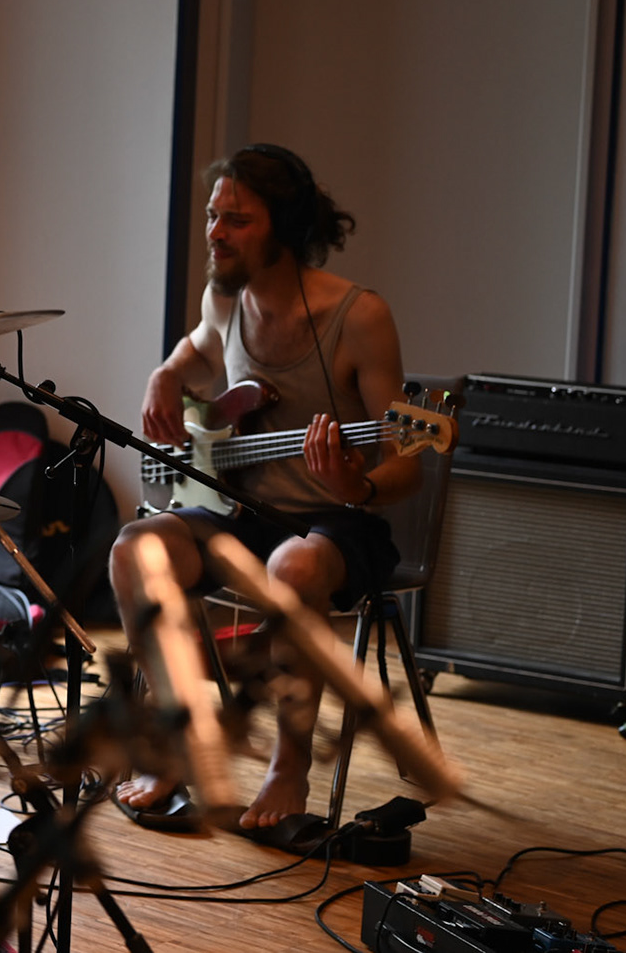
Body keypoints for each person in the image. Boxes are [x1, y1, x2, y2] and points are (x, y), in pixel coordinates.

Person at [109, 143, 419, 839]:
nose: (215, 232)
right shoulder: (224, 300)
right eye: (212, 216)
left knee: (294, 565)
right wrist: (164, 376)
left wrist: (359, 481)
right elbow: (197, 346)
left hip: (338, 522)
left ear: (287, 225)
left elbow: (407, 464)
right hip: (245, 515)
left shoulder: (360, 315)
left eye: (238, 220)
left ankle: (288, 765)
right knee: (135, 549)